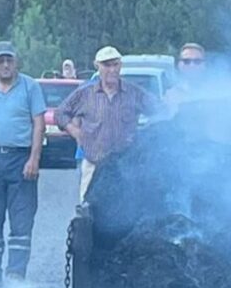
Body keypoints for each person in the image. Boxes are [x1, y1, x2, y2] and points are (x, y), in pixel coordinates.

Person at [0, 41, 47, 288]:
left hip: (21, 160)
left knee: (21, 218)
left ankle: (15, 273)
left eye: (9, 60)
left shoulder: (30, 87)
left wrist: (34, 158)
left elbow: (38, 123)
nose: (5, 65)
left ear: (16, 62)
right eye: (0, 60)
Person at [56, 46, 161, 201]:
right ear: (97, 66)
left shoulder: (134, 93)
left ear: (120, 66)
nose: (112, 70)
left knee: (126, 213)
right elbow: (60, 113)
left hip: (127, 169)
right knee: (87, 214)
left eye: (115, 64)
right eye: (106, 65)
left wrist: (147, 138)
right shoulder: (85, 93)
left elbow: (160, 111)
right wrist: (75, 131)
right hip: (93, 165)